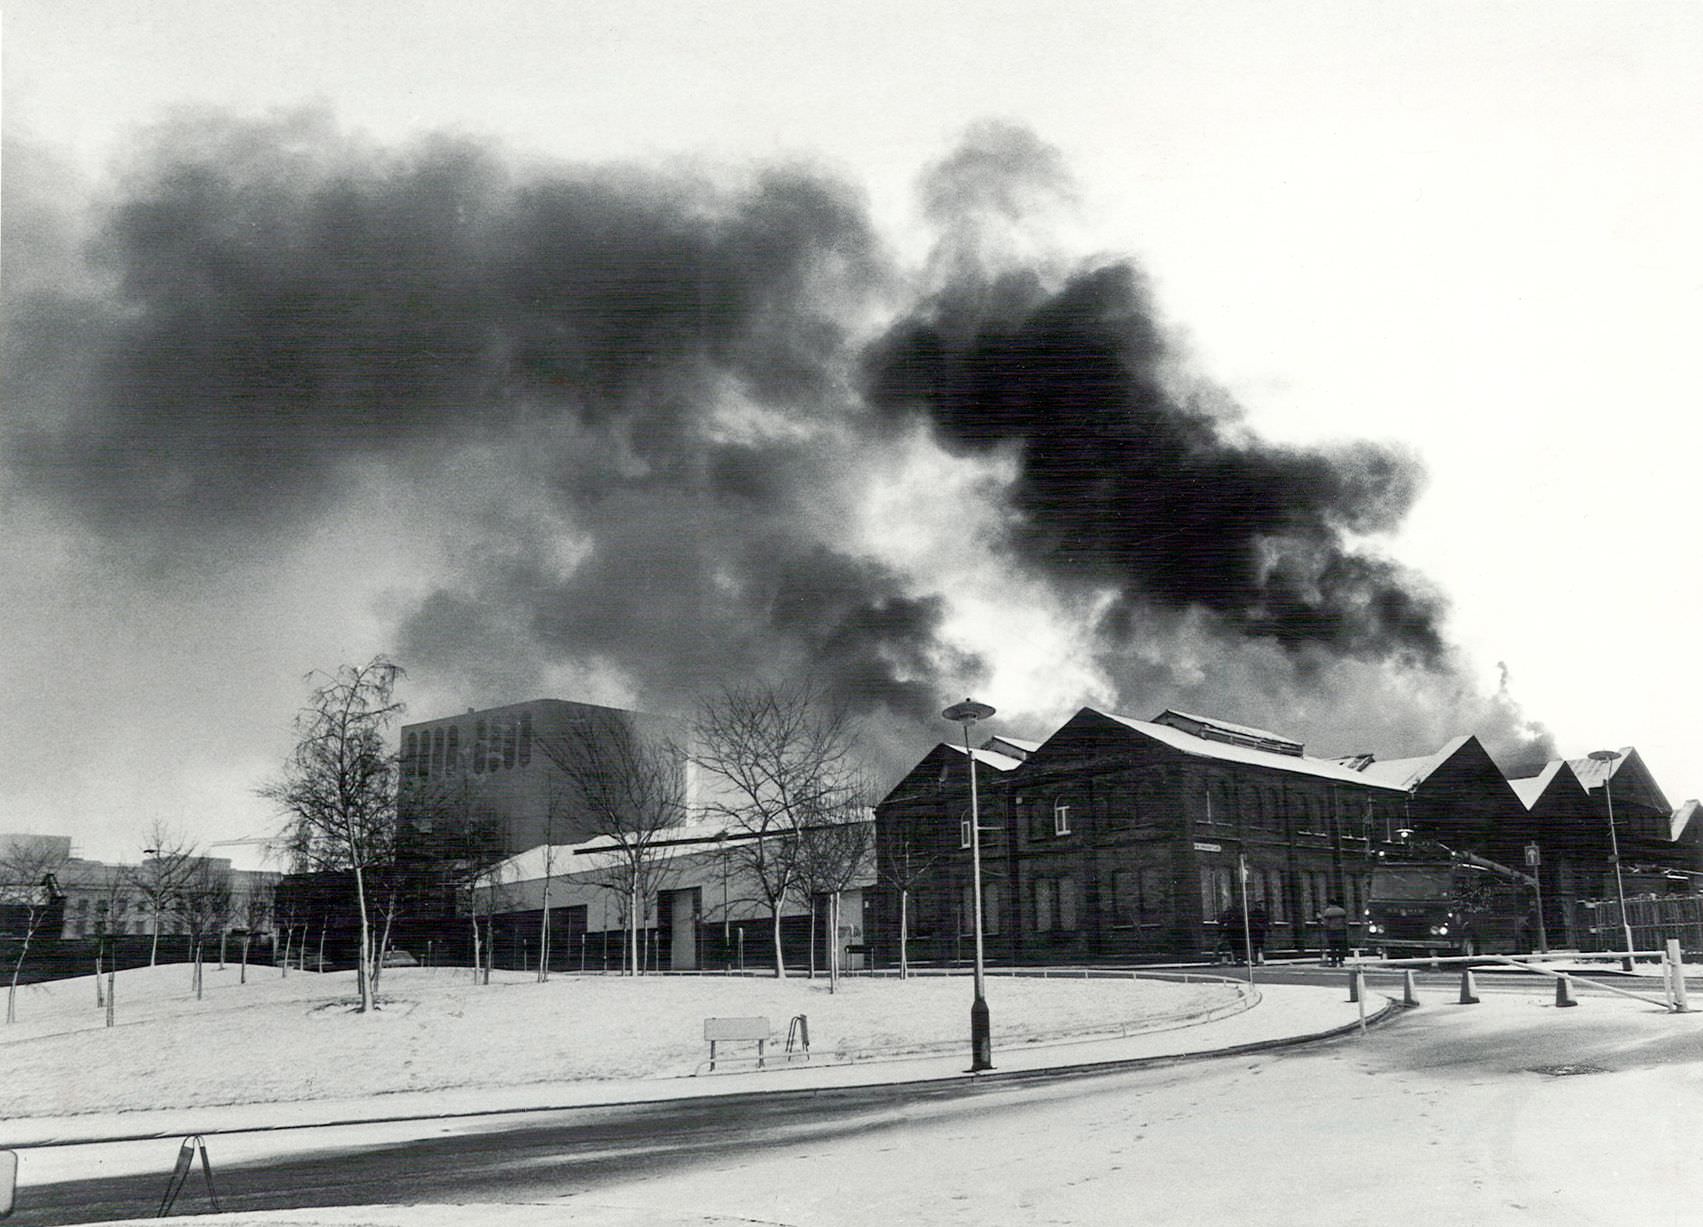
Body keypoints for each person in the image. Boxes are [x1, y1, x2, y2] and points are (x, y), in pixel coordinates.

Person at [1319, 900, 1349, 966]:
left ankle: (1334, 961)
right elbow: (1345, 922)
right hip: (1340, 931)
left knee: (1333, 948)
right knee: (1340, 947)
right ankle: (1341, 961)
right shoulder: (1342, 911)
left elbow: (1326, 923)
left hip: (1331, 932)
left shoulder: (1328, 911)